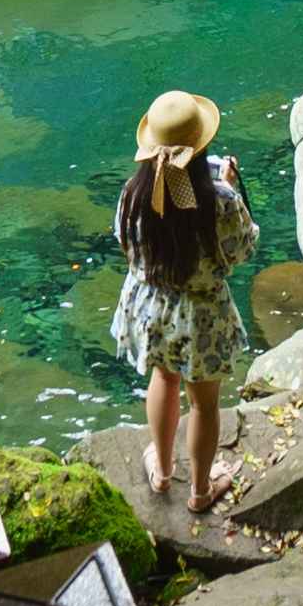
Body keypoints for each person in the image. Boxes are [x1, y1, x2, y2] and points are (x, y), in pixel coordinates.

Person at [111, 90, 258, 513]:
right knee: (204, 403)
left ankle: (160, 468)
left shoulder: (132, 195)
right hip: (202, 317)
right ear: (202, 147)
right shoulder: (220, 201)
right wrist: (231, 191)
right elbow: (241, 251)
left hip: (152, 308)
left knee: (163, 379)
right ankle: (198, 490)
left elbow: (126, 242)